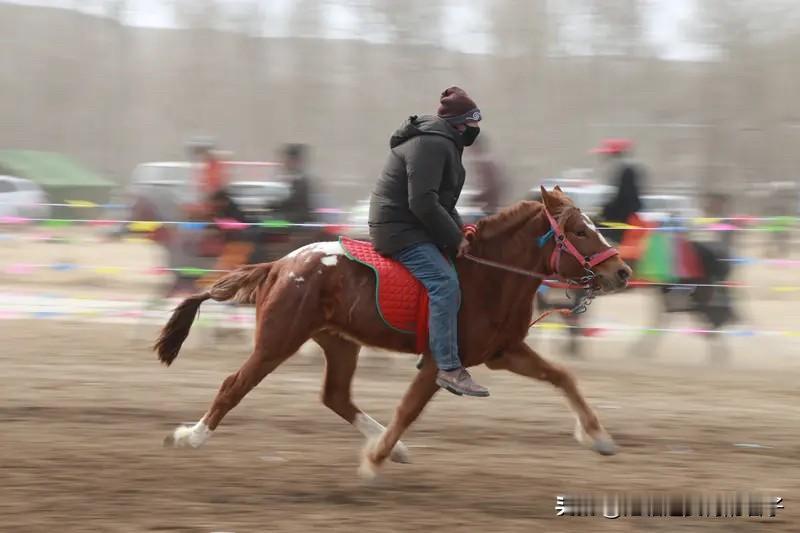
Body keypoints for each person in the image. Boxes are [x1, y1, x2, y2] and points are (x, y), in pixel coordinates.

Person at [368, 86, 488, 397]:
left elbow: (442, 203)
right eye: (473, 124)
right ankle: (448, 368)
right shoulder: (433, 144)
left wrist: (460, 234)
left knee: (460, 272)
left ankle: (432, 349)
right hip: (400, 229)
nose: (476, 131)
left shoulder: (443, 142)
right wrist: (453, 236)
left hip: (413, 225)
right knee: (445, 283)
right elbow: (422, 202)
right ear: (459, 123)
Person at [595, 138, 644, 245]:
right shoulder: (623, 170)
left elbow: (624, 197)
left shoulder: (625, 171)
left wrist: (605, 211)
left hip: (621, 219)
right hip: (620, 217)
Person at [469, 135, 505, 216]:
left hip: (489, 210)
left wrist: (473, 199)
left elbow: (493, 187)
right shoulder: (484, 162)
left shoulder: (486, 163)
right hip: (487, 209)